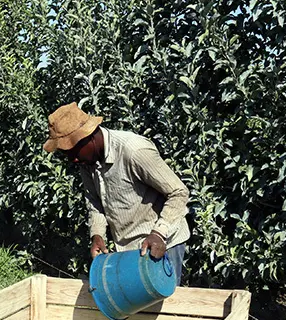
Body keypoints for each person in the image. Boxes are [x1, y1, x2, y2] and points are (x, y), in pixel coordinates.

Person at [43, 103, 189, 284]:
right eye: (67, 154)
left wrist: (159, 234)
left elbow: (178, 192)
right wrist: (97, 235)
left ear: (89, 137)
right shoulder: (87, 162)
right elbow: (94, 201)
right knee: (137, 307)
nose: (72, 159)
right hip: (129, 249)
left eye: (73, 151)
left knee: (163, 305)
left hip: (162, 243)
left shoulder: (134, 151)